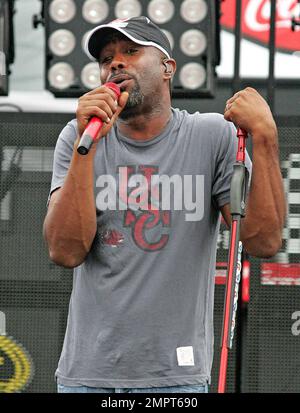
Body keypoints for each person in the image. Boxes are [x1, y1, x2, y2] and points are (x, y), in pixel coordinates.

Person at [43, 16, 286, 393]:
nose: (116, 63)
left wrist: (267, 139)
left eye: (131, 51)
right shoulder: (79, 138)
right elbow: (64, 250)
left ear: (168, 68)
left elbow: (265, 242)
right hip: (88, 376)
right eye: (107, 58)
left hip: (177, 377)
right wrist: (83, 147)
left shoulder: (211, 136)